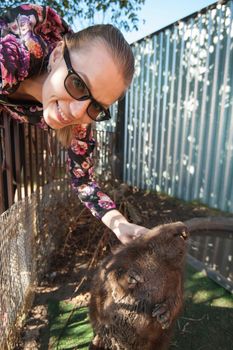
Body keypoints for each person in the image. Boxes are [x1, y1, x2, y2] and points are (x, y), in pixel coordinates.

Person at [0, 4, 148, 244]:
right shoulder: (12, 55)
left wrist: (119, 223)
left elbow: (84, 182)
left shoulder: (80, 120)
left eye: (96, 106)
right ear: (57, 54)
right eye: (79, 84)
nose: (79, 113)